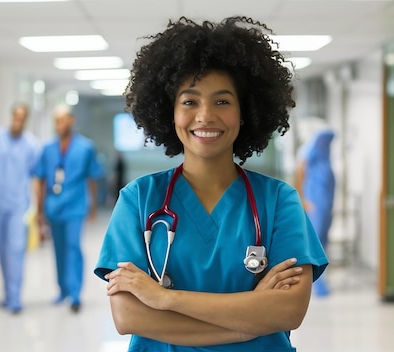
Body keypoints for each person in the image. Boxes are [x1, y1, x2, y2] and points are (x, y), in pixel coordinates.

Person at [94, 16, 328, 351]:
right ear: (169, 112)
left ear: (244, 111)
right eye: (189, 101)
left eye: (222, 101)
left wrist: (163, 298)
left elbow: (288, 311)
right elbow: (129, 316)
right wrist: (248, 325)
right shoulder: (139, 200)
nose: (205, 115)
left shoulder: (278, 201)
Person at [33, 104, 103, 313]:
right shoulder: (47, 149)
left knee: (73, 246)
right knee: (58, 249)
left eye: (63, 120)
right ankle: (62, 290)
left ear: (71, 121)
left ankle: (75, 294)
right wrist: (39, 210)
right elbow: (41, 180)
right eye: (57, 120)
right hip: (53, 206)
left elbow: (92, 178)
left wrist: (92, 206)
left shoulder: (86, 147)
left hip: (76, 205)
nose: (60, 124)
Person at [0, 102, 40, 314]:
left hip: (17, 206)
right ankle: (7, 293)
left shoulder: (31, 145)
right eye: (16, 116)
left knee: (15, 250)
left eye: (22, 117)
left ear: (26, 119)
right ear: (11, 115)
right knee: (2, 251)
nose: (18, 121)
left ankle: (15, 298)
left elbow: (35, 178)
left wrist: (35, 208)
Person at [294, 124, 336, 297]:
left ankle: (321, 279)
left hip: (325, 204)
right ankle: (314, 282)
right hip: (314, 203)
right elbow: (300, 173)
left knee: (323, 240)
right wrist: (303, 199)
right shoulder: (309, 151)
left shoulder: (325, 155)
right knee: (314, 241)